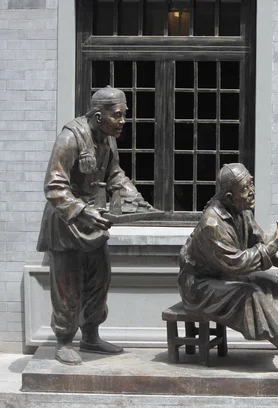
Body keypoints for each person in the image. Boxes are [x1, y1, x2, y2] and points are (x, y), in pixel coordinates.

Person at [178, 163, 278, 371]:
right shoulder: (212, 224)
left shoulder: (242, 211)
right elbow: (237, 264)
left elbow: (268, 248)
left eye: (252, 183)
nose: (252, 192)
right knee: (251, 294)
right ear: (229, 197)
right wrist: (273, 245)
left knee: (272, 280)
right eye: (245, 188)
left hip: (219, 276)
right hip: (198, 287)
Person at [37, 86, 149, 365]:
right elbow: (54, 187)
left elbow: (115, 175)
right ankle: (64, 340)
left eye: (124, 115)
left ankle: (91, 335)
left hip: (94, 224)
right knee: (68, 286)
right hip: (66, 223)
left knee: (99, 280)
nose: (123, 121)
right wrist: (82, 211)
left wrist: (135, 197)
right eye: (118, 115)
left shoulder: (108, 139)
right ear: (99, 117)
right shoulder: (69, 139)